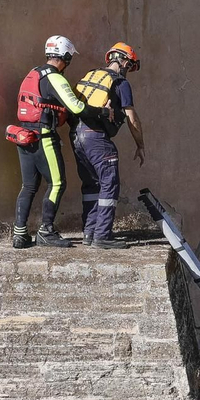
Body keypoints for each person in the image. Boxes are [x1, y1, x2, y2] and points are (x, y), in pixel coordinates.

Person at [12, 35, 88, 249]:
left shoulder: (33, 73)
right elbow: (76, 107)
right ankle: (46, 231)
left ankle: (19, 234)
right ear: (65, 56)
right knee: (57, 183)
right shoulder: (55, 77)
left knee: (28, 186)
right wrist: (101, 112)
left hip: (24, 136)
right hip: (44, 138)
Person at [70, 42, 144, 248]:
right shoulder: (120, 83)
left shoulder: (91, 76)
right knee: (109, 183)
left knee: (91, 185)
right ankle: (102, 235)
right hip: (96, 138)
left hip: (76, 135)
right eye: (130, 66)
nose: (129, 70)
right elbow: (131, 117)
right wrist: (140, 144)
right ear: (125, 62)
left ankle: (89, 233)